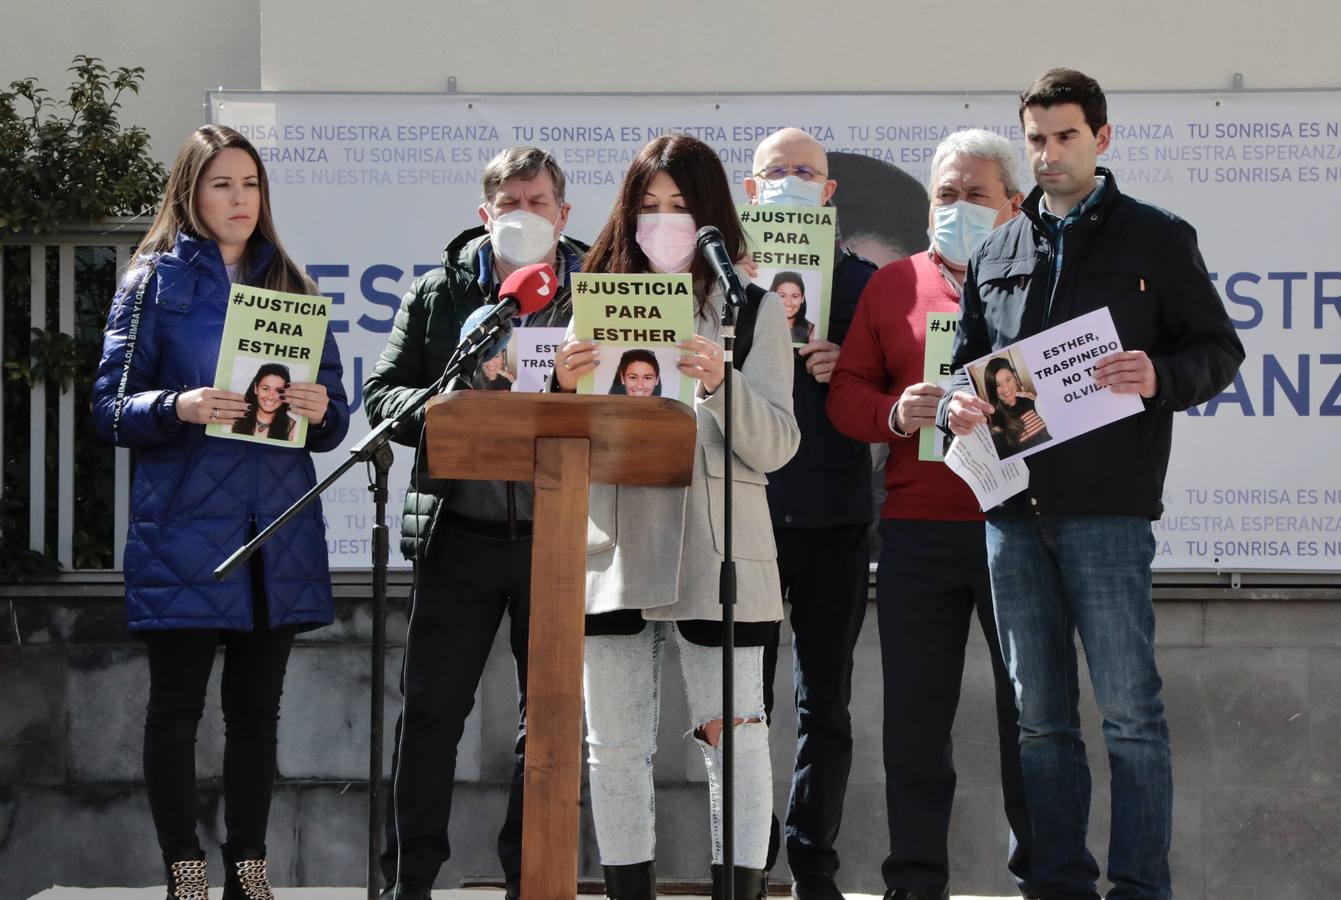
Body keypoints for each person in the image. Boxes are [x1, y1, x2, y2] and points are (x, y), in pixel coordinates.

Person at [940, 70, 1244, 900]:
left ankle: (1139, 888)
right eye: (1035, 139)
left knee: (1130, 718)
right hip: (1011, 515)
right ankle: (1056, 885)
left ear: (1101, 139)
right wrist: (958, 405)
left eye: (1065, 136)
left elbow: (1217, 350)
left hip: (1108, 513)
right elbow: (963, 364)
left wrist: (1158, 376)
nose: (1048, 154)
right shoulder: (994, 250)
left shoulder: (1155, 238)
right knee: (1039, 722)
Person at [91, 124, 348, 900]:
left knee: (256, 715)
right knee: (176, 710)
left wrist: (322, 408)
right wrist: (180, 404)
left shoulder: (291, 286)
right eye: (222, 185)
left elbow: (332, 423)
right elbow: (108, 409)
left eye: (251, 184)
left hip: (274, 531)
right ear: (190, 194)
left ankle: (250, 872)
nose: (241, 200)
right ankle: (185, 874)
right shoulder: (153, 283)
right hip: (183, 530)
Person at [554, 134, 799, 900]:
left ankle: (740, 889)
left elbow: (778, 443)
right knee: (614, 744)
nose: (662, 223)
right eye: (648, 207)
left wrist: (722, 382)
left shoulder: (751, 308)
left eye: (680, 207)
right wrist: (561, 388)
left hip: (717, 549)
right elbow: (559, 439)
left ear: (713, 215)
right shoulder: (592, 304)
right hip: (614, 547)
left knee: (736, 741)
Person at [362, 146, 586, 900]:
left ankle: (532, 878)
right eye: (509, 203)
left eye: (538, 201)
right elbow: (382, 397)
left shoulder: (601, 291)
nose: (525, 214)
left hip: (562, 537)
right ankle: (410, 880)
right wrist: (456, 393)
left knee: (549, 721)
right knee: (429, 714)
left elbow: (641, 392)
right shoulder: (440, 294)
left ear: (563, 213)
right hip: (458, 531)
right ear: (485, 215)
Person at [828, 128, 1036, 900]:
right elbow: (847, 395)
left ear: (1014, 206)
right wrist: (894, 411)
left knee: (1032, 721)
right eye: (946, 195)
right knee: (915, 725)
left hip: (1019, 526)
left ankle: (1041, 877)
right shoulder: (892, 286)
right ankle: (913, 883)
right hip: (918, 533)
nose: (958, 207)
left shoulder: (1043, 280)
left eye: (975, 194)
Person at [741, 127, 877, 900]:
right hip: (746, 518)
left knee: (825, 705)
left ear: (827, 193)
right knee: (744, 707)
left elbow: (898, 391)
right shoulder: (725, 283)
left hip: (834, 520)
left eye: (804, 172)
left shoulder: (864, 283)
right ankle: (747, 861)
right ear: (750, 190)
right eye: (775, 171)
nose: (789, 181)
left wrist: (845, 371)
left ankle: (813, 866)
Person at [982, 357, 1050, 458]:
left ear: (1015, 378)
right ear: (992, 389)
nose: (1006, 389)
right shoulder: (995, 422)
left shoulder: (1030, 400)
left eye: (1008, 380)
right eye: (998, 385)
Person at [232, 363, 299, 440]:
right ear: (255, 388)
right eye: (265, 389)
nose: (270, 397)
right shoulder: (235, 418)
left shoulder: (294, 429)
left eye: (279, 391)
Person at [770, 271, 814, 344]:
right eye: (782, 296)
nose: (788, 303)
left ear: (802, 298)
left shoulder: (812, 331)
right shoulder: (761, 326)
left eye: (795, 296)